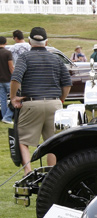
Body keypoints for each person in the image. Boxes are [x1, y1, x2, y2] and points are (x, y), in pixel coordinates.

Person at [9, 27, 71, 174]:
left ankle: (28, 172)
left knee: (23, 140)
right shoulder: (56, 58)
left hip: (32, 102)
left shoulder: (25, 57)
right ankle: (51, 174)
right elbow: (67, 83)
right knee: (53, 142)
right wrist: (61, 100)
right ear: (46, 42)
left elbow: (16, 78)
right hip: (54, 103)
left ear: (30, 41)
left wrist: (13, 97)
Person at [0, 36, 13, 124]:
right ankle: (8, 117)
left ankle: (4, 116)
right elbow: (11, 67)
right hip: (8, 80)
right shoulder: (8, 53)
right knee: (15, 98)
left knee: (2, 100)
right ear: (6, 43)